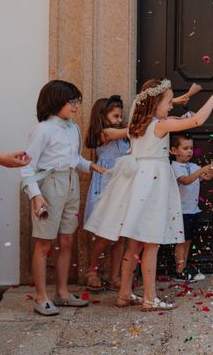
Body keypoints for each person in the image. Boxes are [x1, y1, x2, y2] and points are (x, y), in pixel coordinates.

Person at [84, 79, 213, 311]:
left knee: (134, 243)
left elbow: (153, 106)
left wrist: (172, 99)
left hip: (138, 181)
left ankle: (124, 294)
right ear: (155, 104)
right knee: (151, 242)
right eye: (167, 102)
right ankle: (149, 297)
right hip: (153, 182)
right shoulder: (159, 126)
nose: (170, 106)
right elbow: (196, 120)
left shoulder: (136, 123)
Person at [21, 80, 106, 316]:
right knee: (43, 242)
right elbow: (28, 169)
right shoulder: (43, 130)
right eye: (72, 102)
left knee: (67, 240)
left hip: (70, 182)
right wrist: (36, 196)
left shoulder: (73, 127)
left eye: (77, 101)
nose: (76, 106)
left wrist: (92, 166)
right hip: (49, 185)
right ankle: (41, 297)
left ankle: (62, 292)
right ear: (56, 100)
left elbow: (75, 158)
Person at [83, 95, 130, 291]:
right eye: (116, 116)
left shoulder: (122, 135)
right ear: (102, 116)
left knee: (120, 236)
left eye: (121, 116)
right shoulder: (105, 134)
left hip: (123, 185)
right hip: (106, 186)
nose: (120, 120)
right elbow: (129, 131)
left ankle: (115, 276)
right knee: (106, 235)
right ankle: (92, 270)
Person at [170, 133, 213, 282]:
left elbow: (207, 176)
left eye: (191, 148)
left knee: (188, 241)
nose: (190, 151)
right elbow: (185, 181)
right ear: (174, 150)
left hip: (192, 210)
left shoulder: (193, 166)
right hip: (181, 212)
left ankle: (184, 267)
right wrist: (202, 169)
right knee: (181, 241)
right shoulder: (175, 167)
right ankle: (179, 271)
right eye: (185, 148)